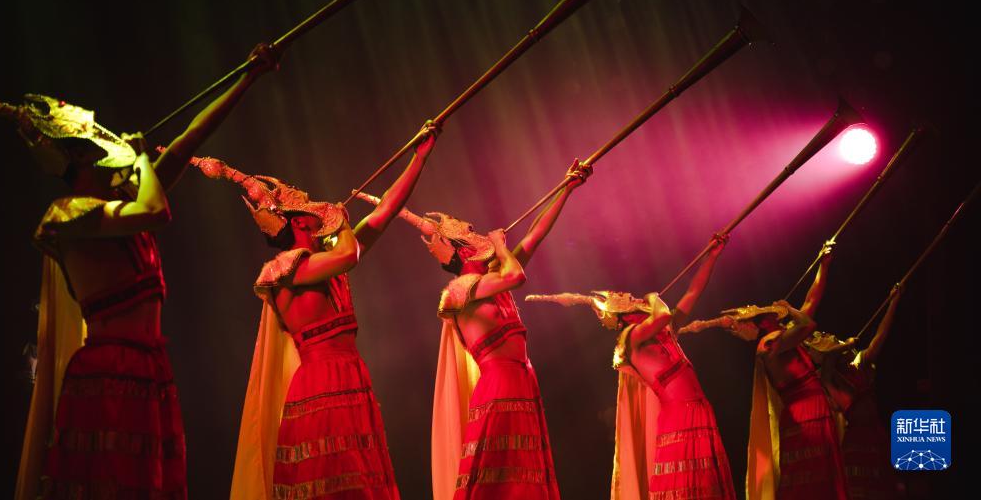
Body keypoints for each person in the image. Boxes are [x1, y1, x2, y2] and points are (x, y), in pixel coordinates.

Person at [0, 42, 277, 499]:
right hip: (108, 372)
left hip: (150, 368)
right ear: (82, 156)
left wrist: (248, 78)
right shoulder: (68, 213)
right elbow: (156, 211)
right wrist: (143, 160)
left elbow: (190, 138)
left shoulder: (122, 204)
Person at [191, 122, 438, 499]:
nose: (317, 206)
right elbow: (350, 254)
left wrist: (420, 157)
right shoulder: (288, 268)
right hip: (322, 382)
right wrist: (339, 221)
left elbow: (384, 211)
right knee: (335, 481)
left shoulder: (325, 260)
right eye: (309, 205)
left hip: (349, 375)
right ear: (299, 221)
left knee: (361, 480)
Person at [355, 159, 590, 499]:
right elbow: (517, 275)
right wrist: (501, 246)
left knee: (524, 474)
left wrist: (566, 189)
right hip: (499, 387)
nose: (477, 234)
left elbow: (534, 235)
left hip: (522, 381)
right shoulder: (465, 289)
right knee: (498, 477)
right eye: (469, 235)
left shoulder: (491, 278)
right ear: (464, 251)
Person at [527, 235, 735, 500]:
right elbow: (663, 314)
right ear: (617, 314)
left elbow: (693, 292)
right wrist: (652, 297)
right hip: (679, 417)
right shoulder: (633, 337)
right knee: (685, 487)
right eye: (623, 297)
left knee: (705, 486)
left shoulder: (664, 331)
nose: (629, 296)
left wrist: (712, 257)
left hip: (698, 410)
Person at [680, 241, 847, 500]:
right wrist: (790, 309)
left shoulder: (781, 334)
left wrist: (823, 266)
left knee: (821, 473)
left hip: (814, 405)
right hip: (804, 411)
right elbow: (808, 324)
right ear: (763, 322)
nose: (774, 315)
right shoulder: (770, 344)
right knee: (809, 476)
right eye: (769, 315)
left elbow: (811, 300)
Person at [806, 283, 903, 499]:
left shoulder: (858, 363)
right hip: (857, 442)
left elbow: (880, 337)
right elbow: (829, 359)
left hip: (876, 435)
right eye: (830, 340)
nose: (834, 337)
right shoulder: (828, 377)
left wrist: (893, 302)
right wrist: (845, 345)